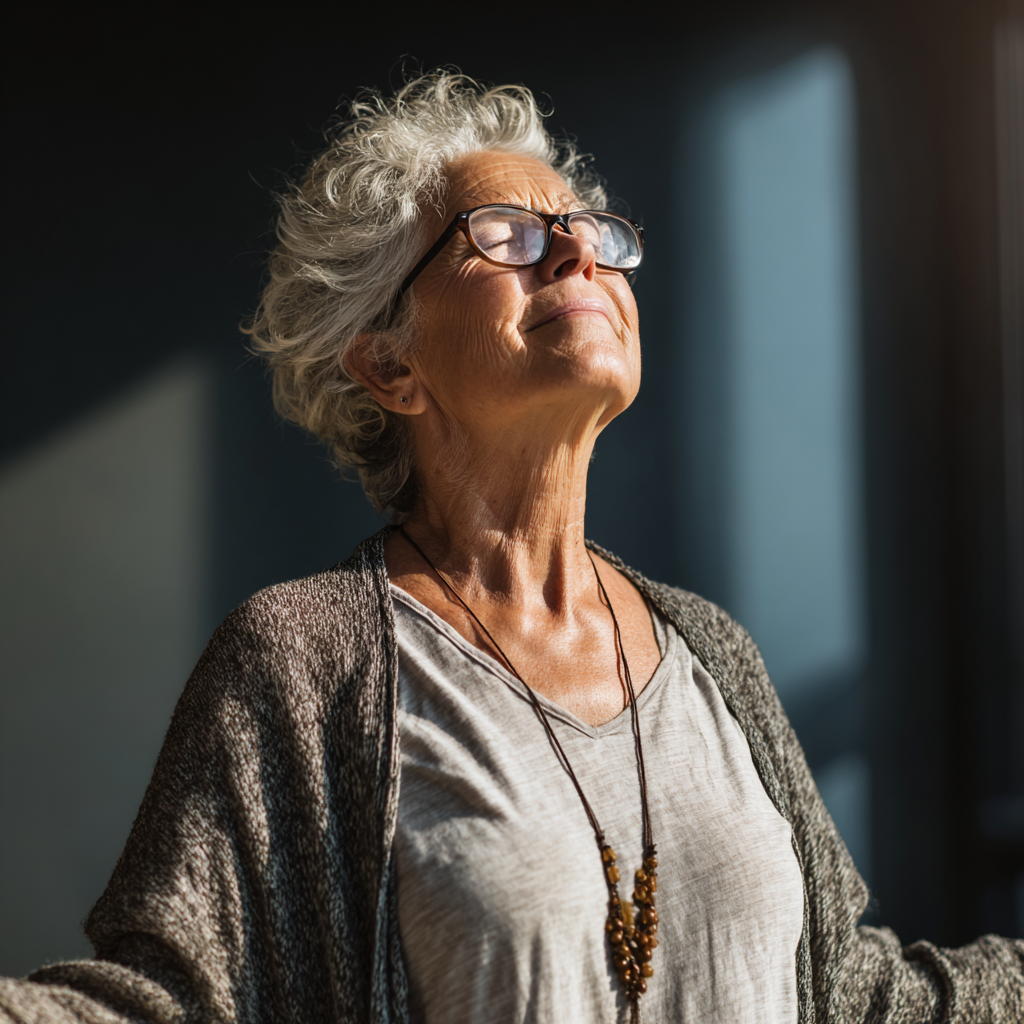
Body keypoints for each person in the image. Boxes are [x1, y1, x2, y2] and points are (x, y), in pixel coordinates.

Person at [1, 72, 1021, 1024]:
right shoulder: (305, 661)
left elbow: (842, 988)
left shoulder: (709, 649)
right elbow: (166, 1003)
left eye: (589, 232)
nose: (576, 252)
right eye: (506, 236)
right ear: (390, 363)